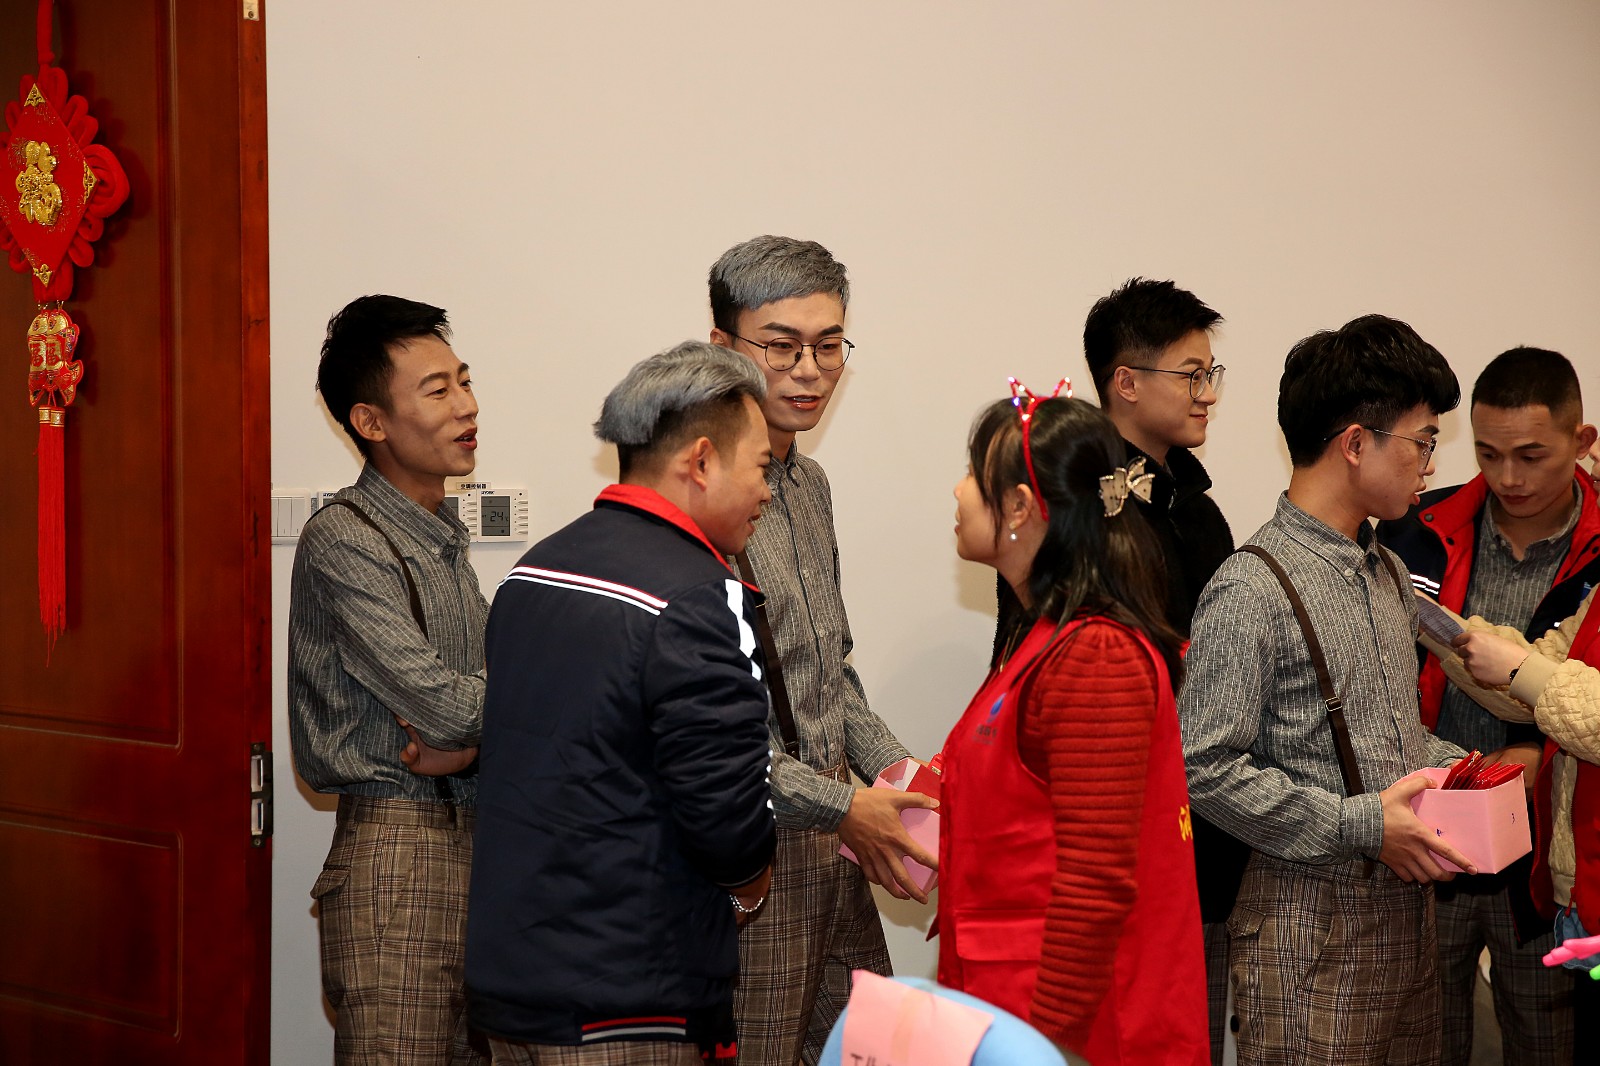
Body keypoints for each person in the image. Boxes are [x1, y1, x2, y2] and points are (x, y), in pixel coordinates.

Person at [466, 341, 778, 1065]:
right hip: (628, 992)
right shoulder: (698, 594)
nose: (768, 492)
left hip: (514, 982)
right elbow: (726, 811)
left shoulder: (533, 570)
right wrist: (750, 883)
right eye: (762, 467)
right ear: (702, 461)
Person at [1179, 314, 1479, 1066]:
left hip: (1408, 923)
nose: (1430, 465)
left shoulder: (1385, 571)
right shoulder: (1251, 585)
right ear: (1354, 443)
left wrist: (1462, 772)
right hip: (1305, 932)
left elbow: (1390, 735)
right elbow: (1201, 767)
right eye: (1422, 441)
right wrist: (1362, 825)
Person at [707, 235, 934, 1065]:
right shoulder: (702, 491)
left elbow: (830, 671)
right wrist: (846, 806)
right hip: (756, 854)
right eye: (782, 346)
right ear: (723, 346)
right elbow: (713, 723)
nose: (809, 370)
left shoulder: (810, 486)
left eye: (828, 345)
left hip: (837, 840)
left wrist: (903, 774)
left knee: (877, 1051)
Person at [939, 388, 1208, 1064]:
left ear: (1019, 508)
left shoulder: (1095, 656)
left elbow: (1095, 882)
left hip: (1070, 1027)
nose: (958, 491)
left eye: (972, 474)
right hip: (1010, 1002)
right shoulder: (1044, 637)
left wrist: (1043, 1045)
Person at [1377, 347, 1598, 1065]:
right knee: (1422, 1038)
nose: (1509, 478)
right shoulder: (1415, 527)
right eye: (1488, 453)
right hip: (1429, 833)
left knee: (1548, 1037)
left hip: (1547, 855)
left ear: (1582, 441)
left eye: (1531, 456)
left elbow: (1564, 684)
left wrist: (1537, 750)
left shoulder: (1598, 550)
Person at [289, 294, 489, 1065]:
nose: (467, 405)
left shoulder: (444, 536)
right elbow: (444, 711)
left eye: (464, 380)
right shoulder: (345, 538)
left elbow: (476, 711)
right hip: (396, 859)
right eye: (437, 390)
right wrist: (474, 731)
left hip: (479, 843)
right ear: (370, 422)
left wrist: (474, 745)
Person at [1080, 277, 1242, 1063]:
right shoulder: (1075, 508)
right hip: (1117, 840)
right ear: (1127, 381)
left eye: (1212, 374)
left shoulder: (1200, 510)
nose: (1207, 393)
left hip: (1205, 830)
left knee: (1191, 1038)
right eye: (1191, 374)